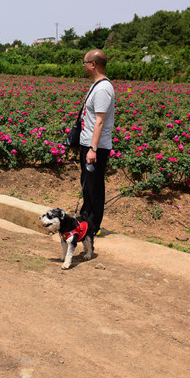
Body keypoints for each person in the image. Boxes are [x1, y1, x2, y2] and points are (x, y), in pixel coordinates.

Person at [79, 49, 115, 238]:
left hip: (96, 147)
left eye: (85, 62)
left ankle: (93, 224)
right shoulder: (96, 85)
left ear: (93, 64)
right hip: (90, 143)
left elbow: (100, 121)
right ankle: (85, 219)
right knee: (88, 183)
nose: (83, 66)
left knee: (94, 185)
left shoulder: (102, 89)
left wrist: (93, 148)